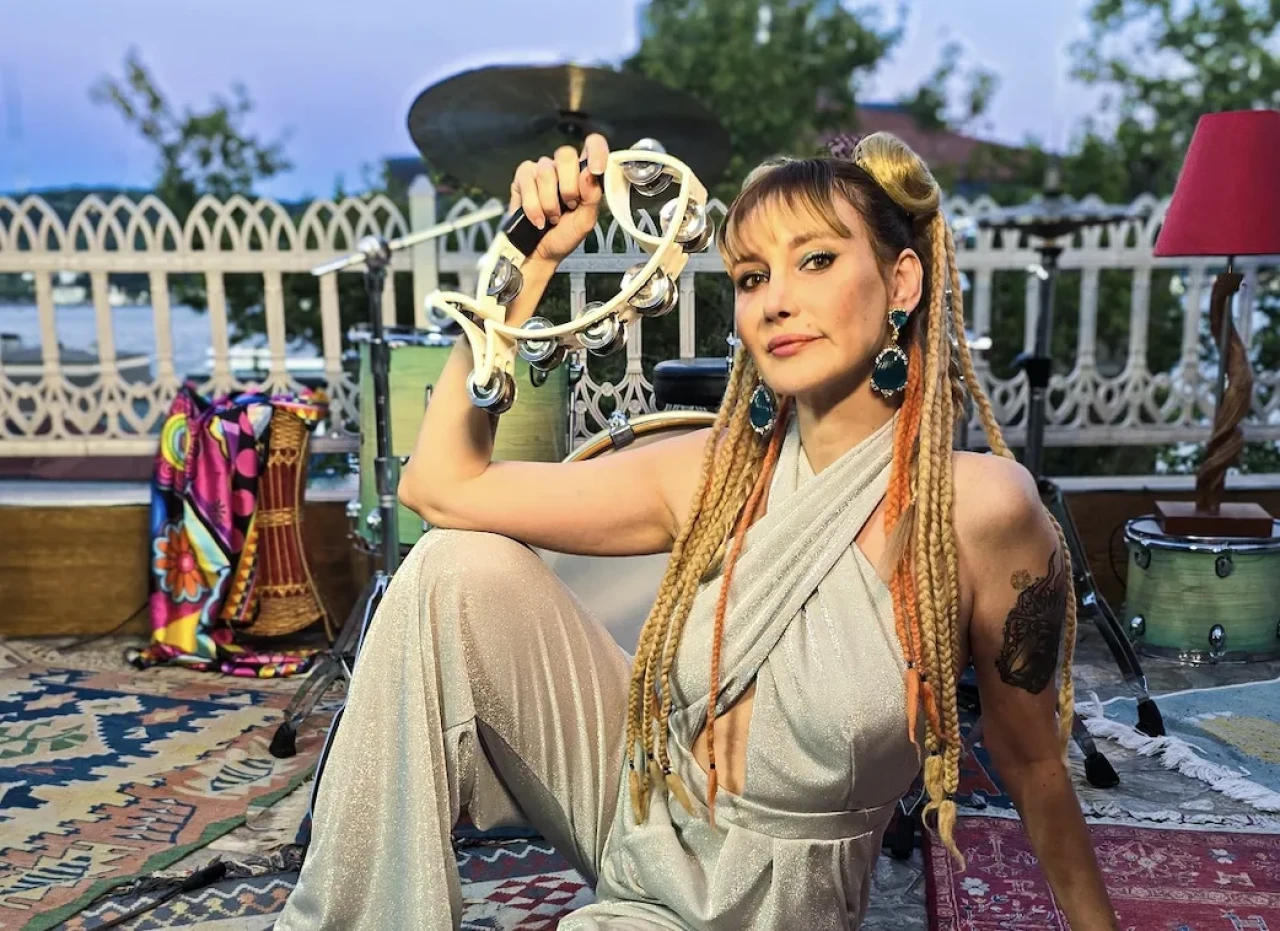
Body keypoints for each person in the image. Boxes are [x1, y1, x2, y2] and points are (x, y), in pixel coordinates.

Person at [275, 130, 1119, 930]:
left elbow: (1032, 760)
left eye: (816, 260)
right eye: (752, 276)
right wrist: (524, 265)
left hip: (781, 894)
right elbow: (441, 487)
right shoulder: (714, 472)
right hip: (644, 808)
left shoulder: (979, 508)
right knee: (449, 567)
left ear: (902, 283)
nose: (777, 300)